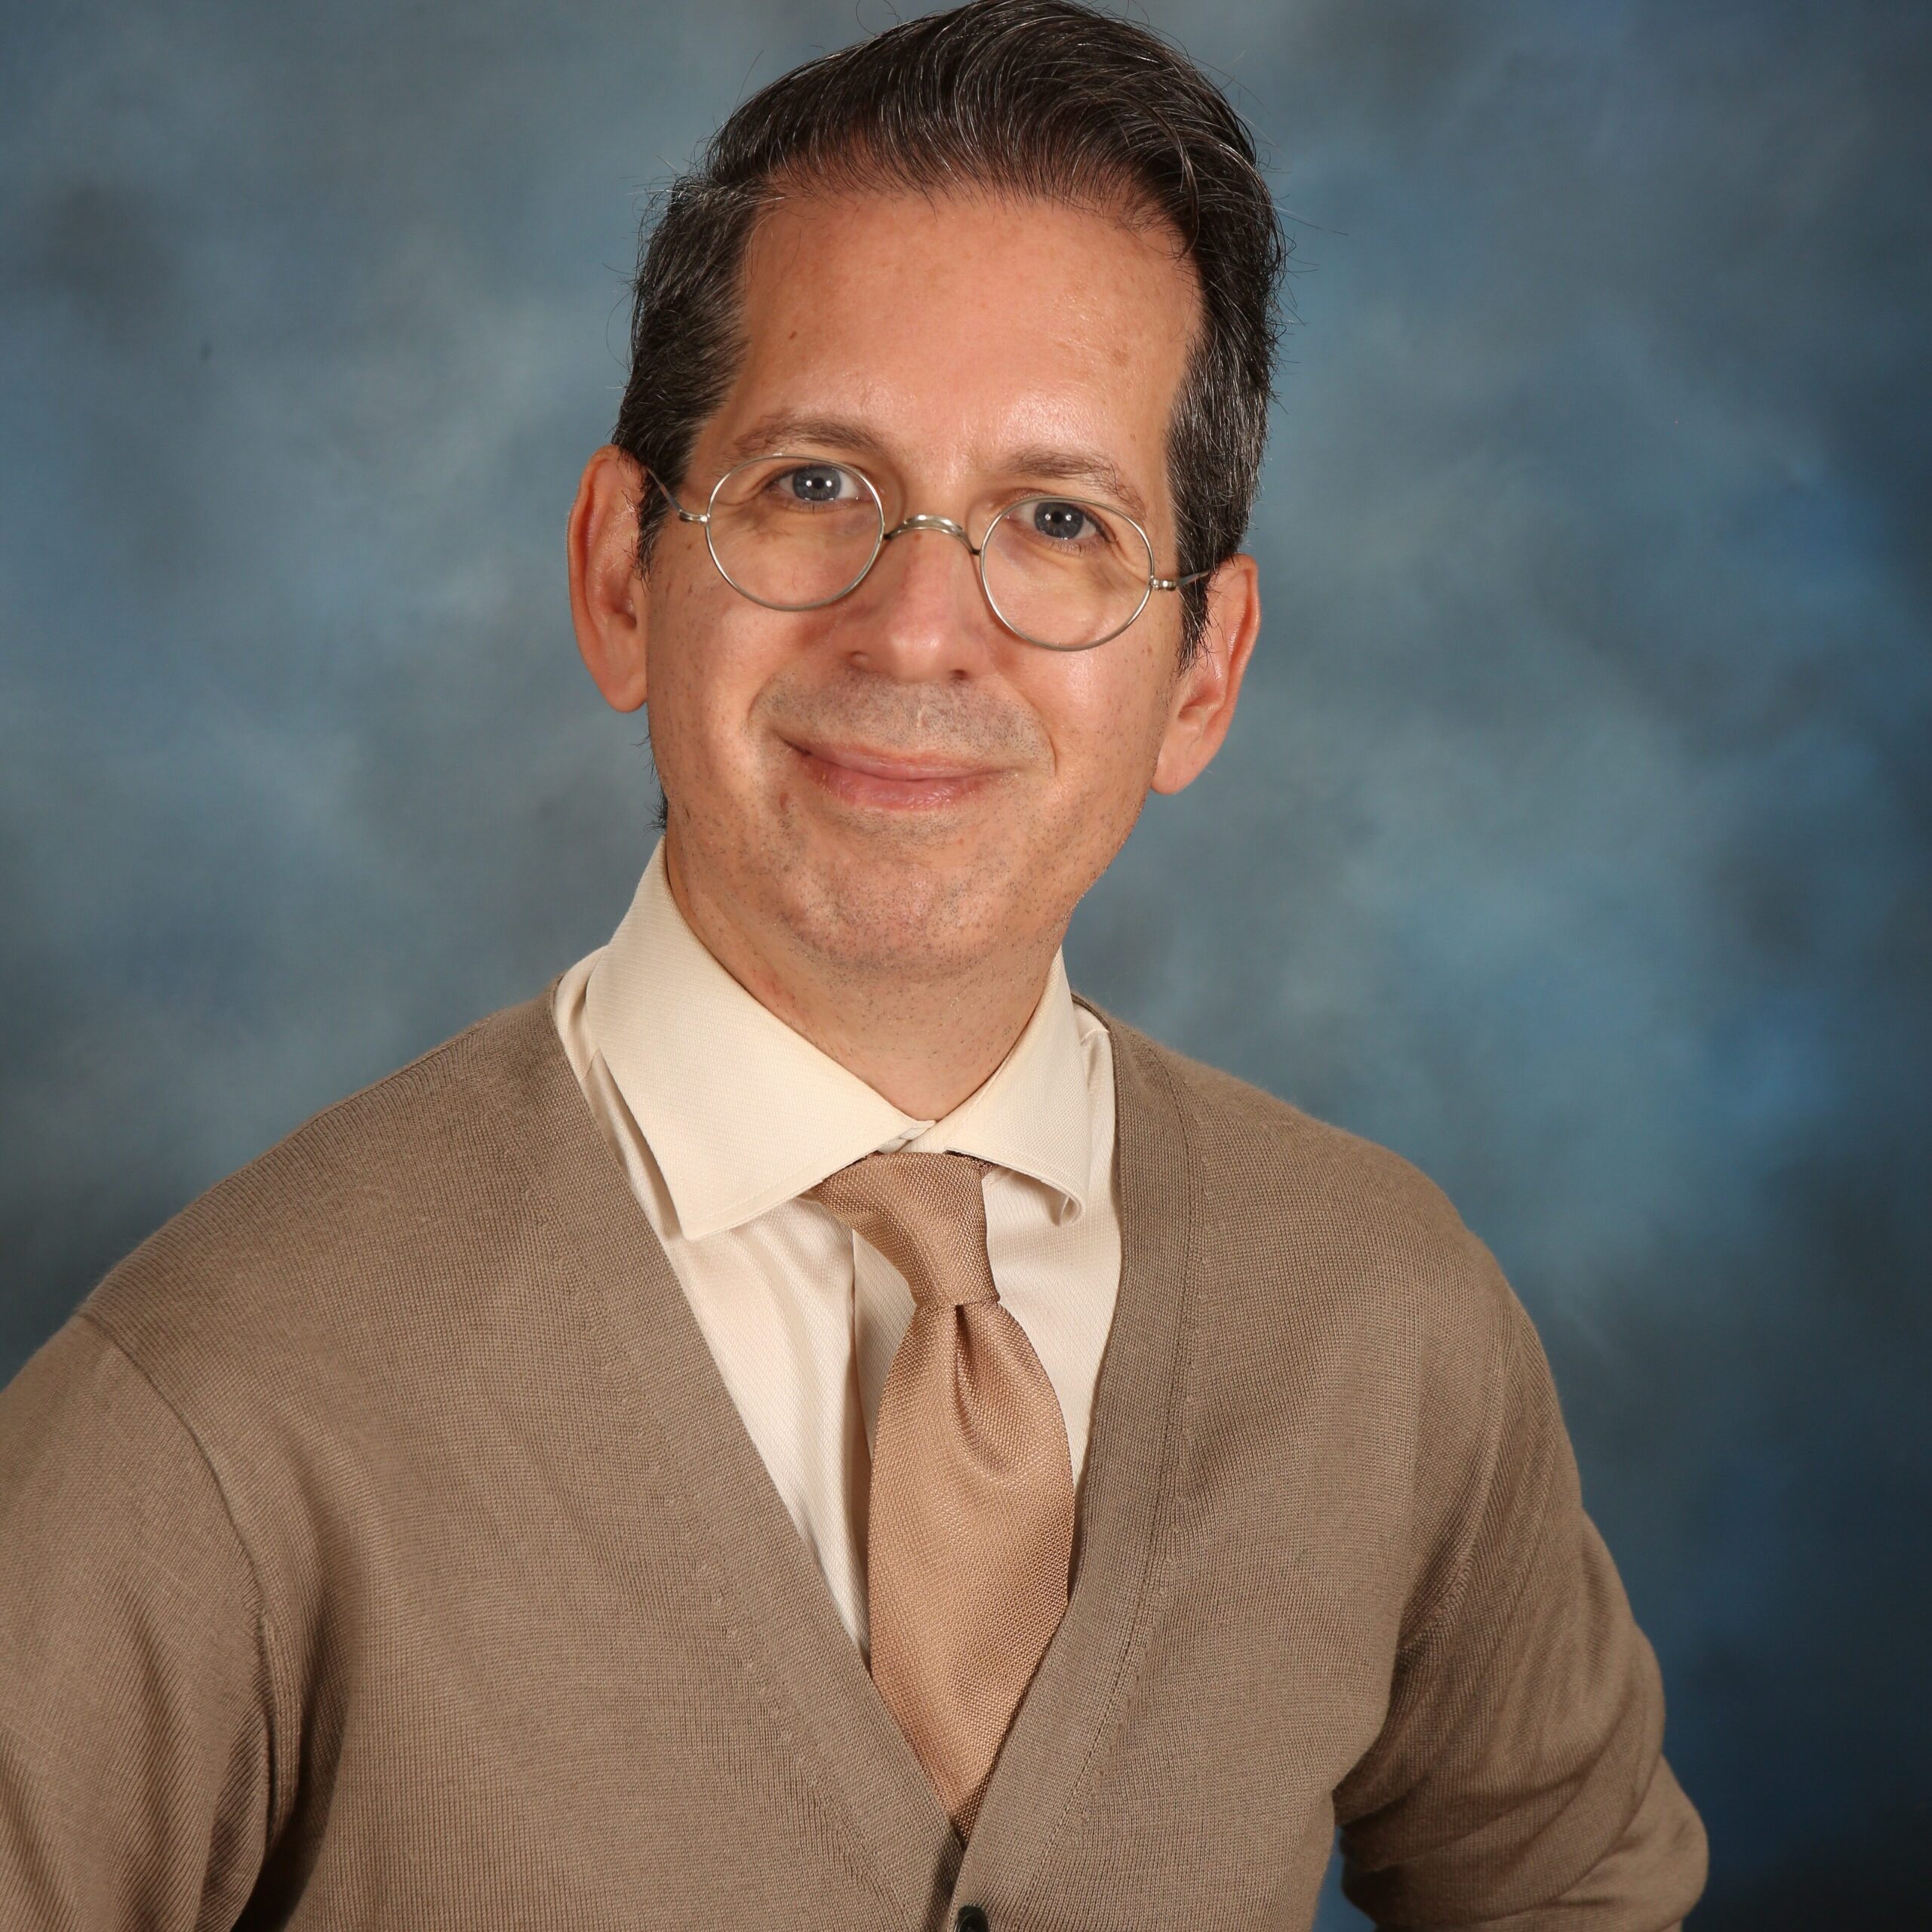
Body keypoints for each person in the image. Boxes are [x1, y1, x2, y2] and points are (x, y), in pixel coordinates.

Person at [0, 2, 1708, 1926]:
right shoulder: (216, 1409)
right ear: (619, 572)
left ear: (1200, 671)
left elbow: (1575, 1887)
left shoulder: (1387, 1323)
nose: (916, 630)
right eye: (814, 482)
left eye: (1056, 520)